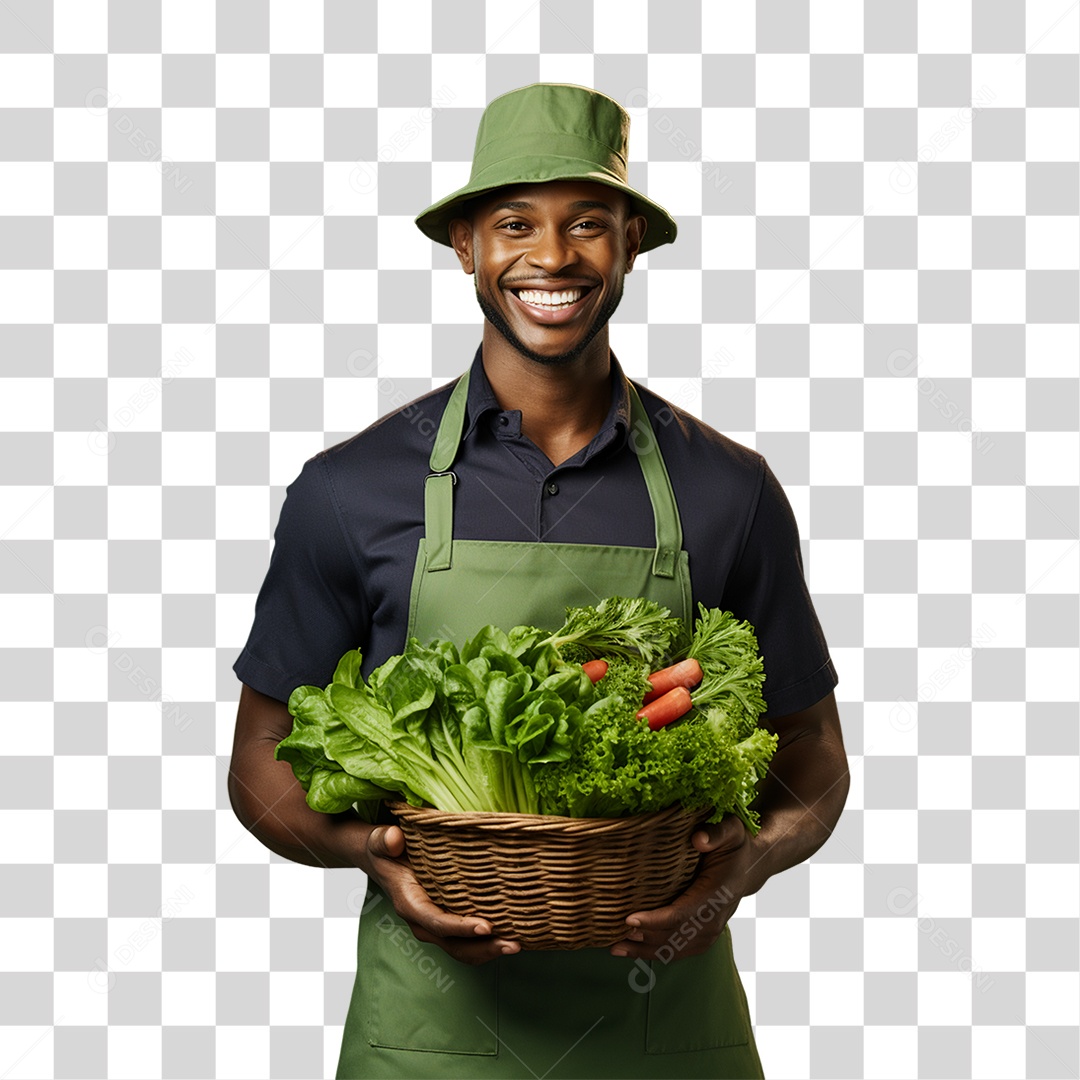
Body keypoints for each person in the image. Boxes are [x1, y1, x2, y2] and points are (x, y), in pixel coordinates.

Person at [230, 82, 849, 1080]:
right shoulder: (350, 490)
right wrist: (368, 852)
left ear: (631, 245)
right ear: (466, 246)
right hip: (428, 1042)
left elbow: (813, 763)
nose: (553, 258)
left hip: (664, 1035)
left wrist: (750, 861)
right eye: (516, 223)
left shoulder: (727, 489)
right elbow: (259, 762)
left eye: (588, 225)